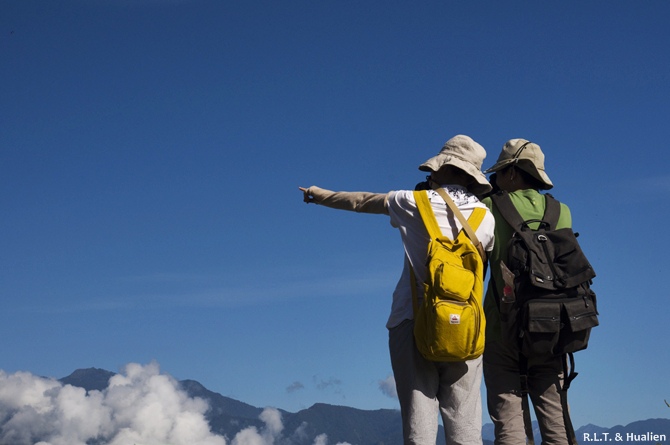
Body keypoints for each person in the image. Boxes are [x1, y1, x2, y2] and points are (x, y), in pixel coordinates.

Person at [299, 135, 496, 445]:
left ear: (447, 169)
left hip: (412, 321)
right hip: (468, 328)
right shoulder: (486, 217)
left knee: (420, 419)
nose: (429, 175)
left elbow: (362, 201)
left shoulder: (413, 203)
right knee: (466, 424)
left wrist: (317, 195)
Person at [481, 139, 573, 445]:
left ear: (512, 173)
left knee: (509, 425)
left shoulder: (490, 207)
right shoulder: (562, 211)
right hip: (551, 331)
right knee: (556, 422)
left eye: (498, 174)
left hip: (501, 328)